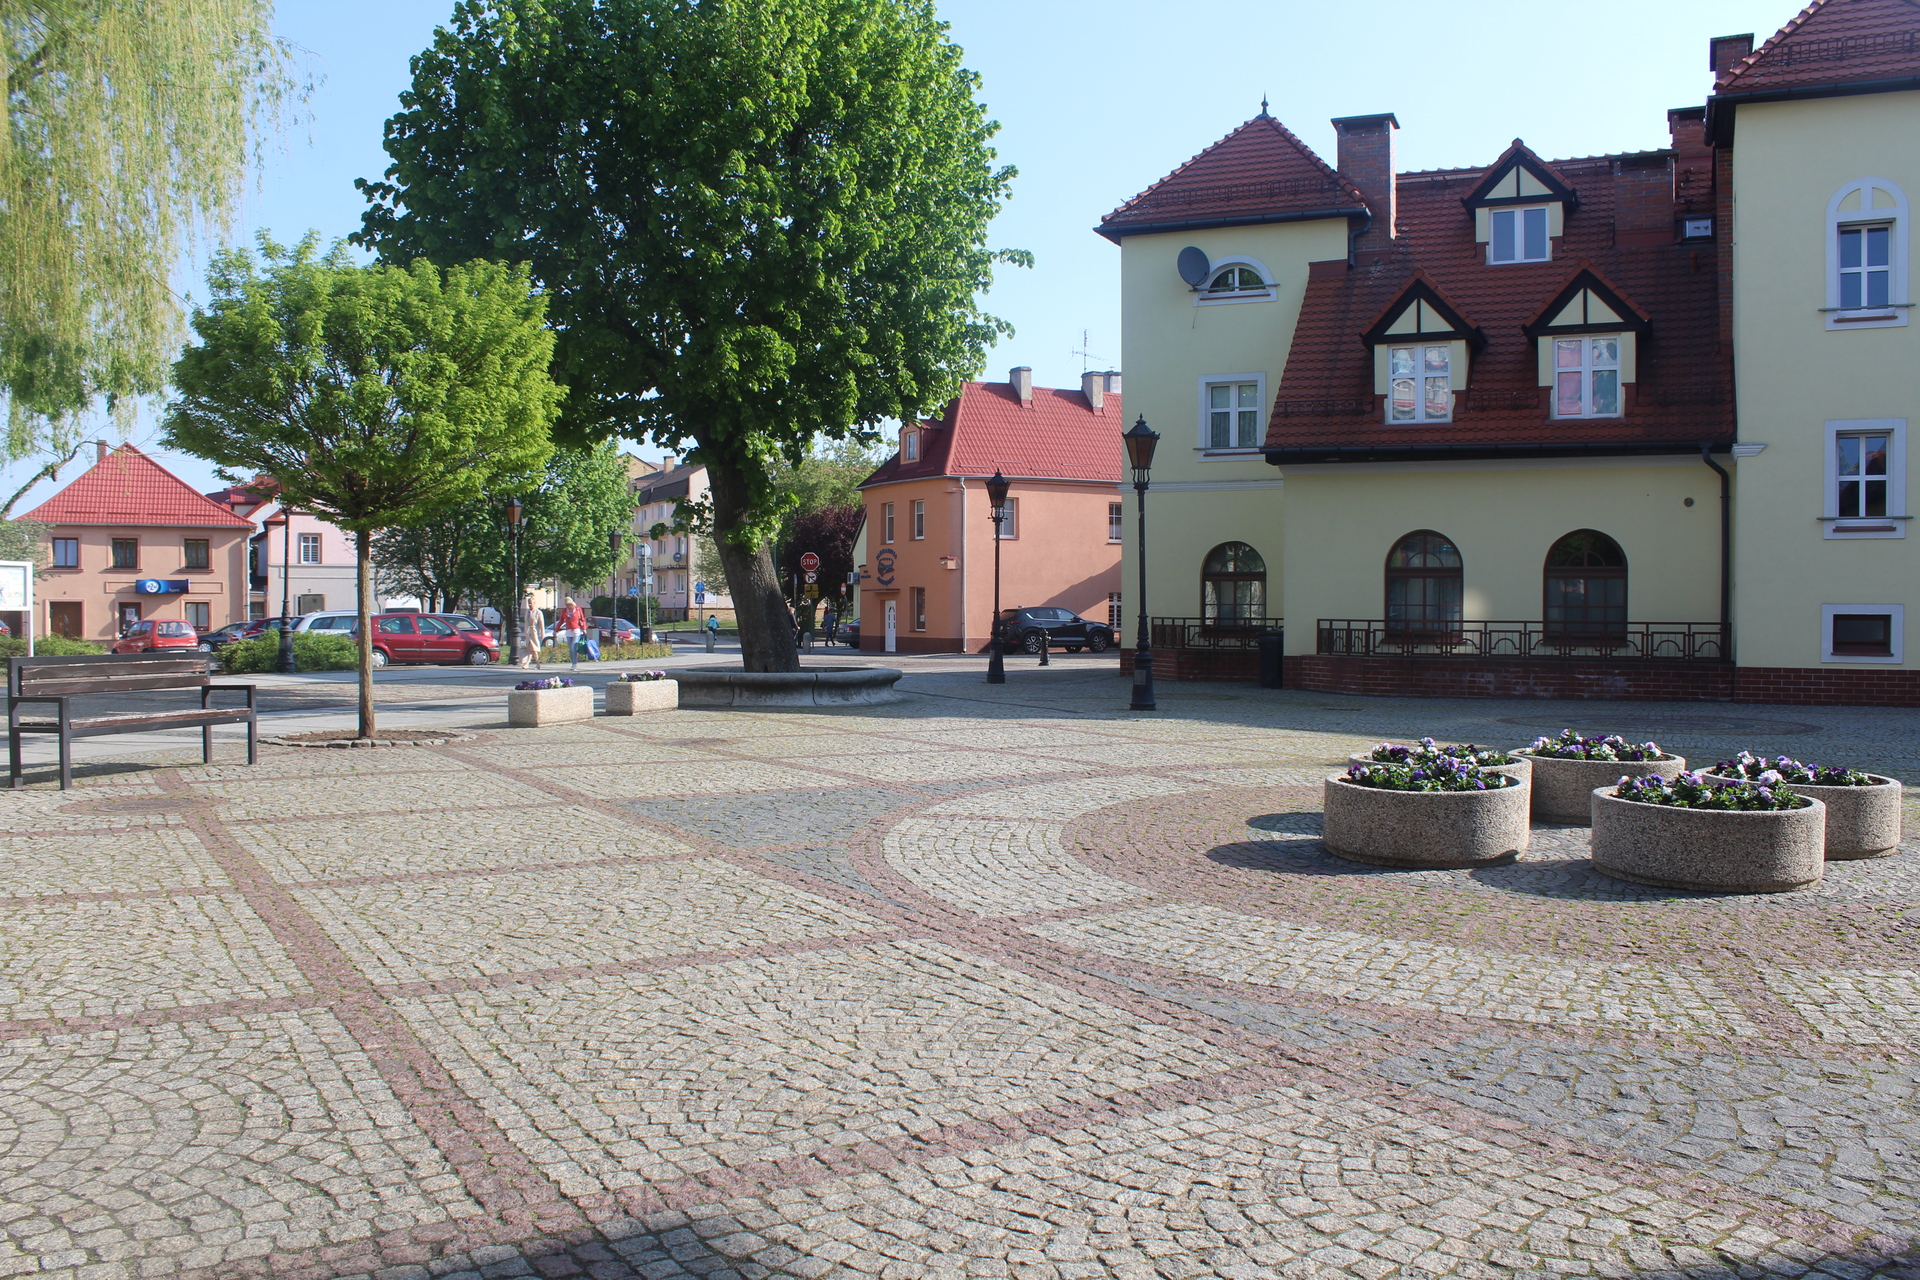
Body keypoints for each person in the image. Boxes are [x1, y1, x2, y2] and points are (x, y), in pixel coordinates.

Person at [555, 597, 590, 668]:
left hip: (576, 631)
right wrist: (556, 630)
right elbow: (561, 621)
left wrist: (584, 628)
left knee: (573, 647)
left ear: (571, 604)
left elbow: (582, 619)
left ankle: (575, 663)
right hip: (568, 631)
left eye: (569, 605)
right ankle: (573, 663)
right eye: (567, 605)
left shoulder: (578, 609)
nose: (568, 606)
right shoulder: (564, 611)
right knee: (570, 649)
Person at [517, 595, 546, 669]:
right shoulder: (527, 612)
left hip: (534, 632)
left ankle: (527, 663)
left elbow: (541, 623)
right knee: (530, 649)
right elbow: (526, 622)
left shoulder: (538, 612)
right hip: (528, 632)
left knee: (533, 648)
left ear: (534, 603)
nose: (530, 605)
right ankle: (537, 664)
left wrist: (542, 633)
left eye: (531, 603)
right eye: (528, 603)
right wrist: (524, 632)